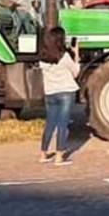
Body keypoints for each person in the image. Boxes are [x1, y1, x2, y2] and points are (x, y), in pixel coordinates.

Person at [38, 26, 80, 166]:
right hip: (65, 93)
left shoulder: (43, 58)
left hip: (50, 93)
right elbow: (75, 73)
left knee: (50, 124)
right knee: (62, 125)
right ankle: (59, 157)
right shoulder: (64, 57)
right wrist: (76, 54)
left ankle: (43, 154)